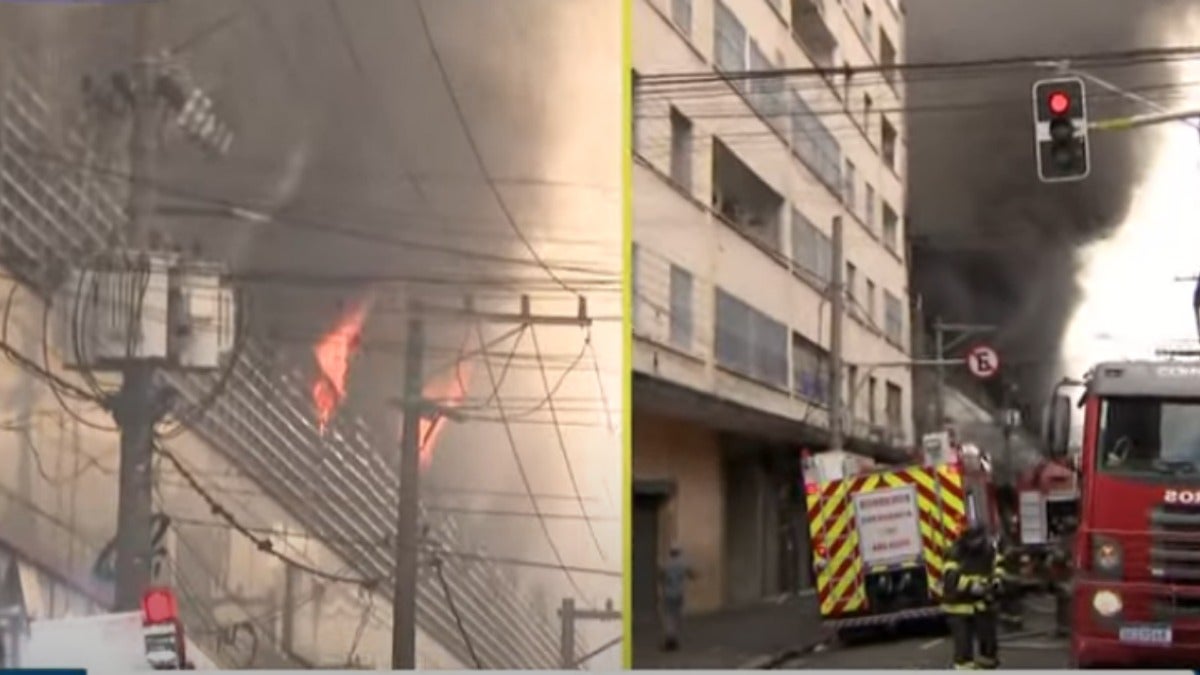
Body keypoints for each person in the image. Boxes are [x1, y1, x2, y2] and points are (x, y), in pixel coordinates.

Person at [941, 524, 1001, 669]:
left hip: (982, 605)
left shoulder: (988, 550)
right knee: (964, 651)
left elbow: (998, 567)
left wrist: (995, 584)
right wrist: (972, 587)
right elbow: (951, 579)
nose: (975, 544)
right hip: (958, 608)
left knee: (989, 650)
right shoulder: (955, 552)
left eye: (978, 540)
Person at [659, 545, 696, 651]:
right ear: (679, 553)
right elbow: (691, 575)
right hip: (679, 594)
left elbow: (661, 577)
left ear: (670, 553)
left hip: (668, 594)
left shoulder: (666, 564)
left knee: (668, 616)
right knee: (677, 616)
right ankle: (674, 638)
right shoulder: (682, 564)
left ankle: (670, 639)